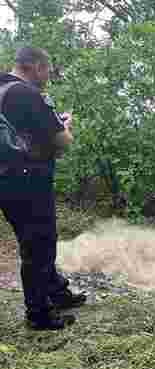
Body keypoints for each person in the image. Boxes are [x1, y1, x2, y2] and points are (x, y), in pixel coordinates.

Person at [0, 47, 86, 331]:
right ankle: (39, 314)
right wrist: (65, 126)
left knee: (36, 239)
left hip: (7, 180)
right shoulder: (26, 94)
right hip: (28, 180)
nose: (48, 76)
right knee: (39, 244)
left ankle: (57, 292)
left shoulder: (2, 89)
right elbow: (63, 141)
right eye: (47, 70)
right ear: (35, 66)